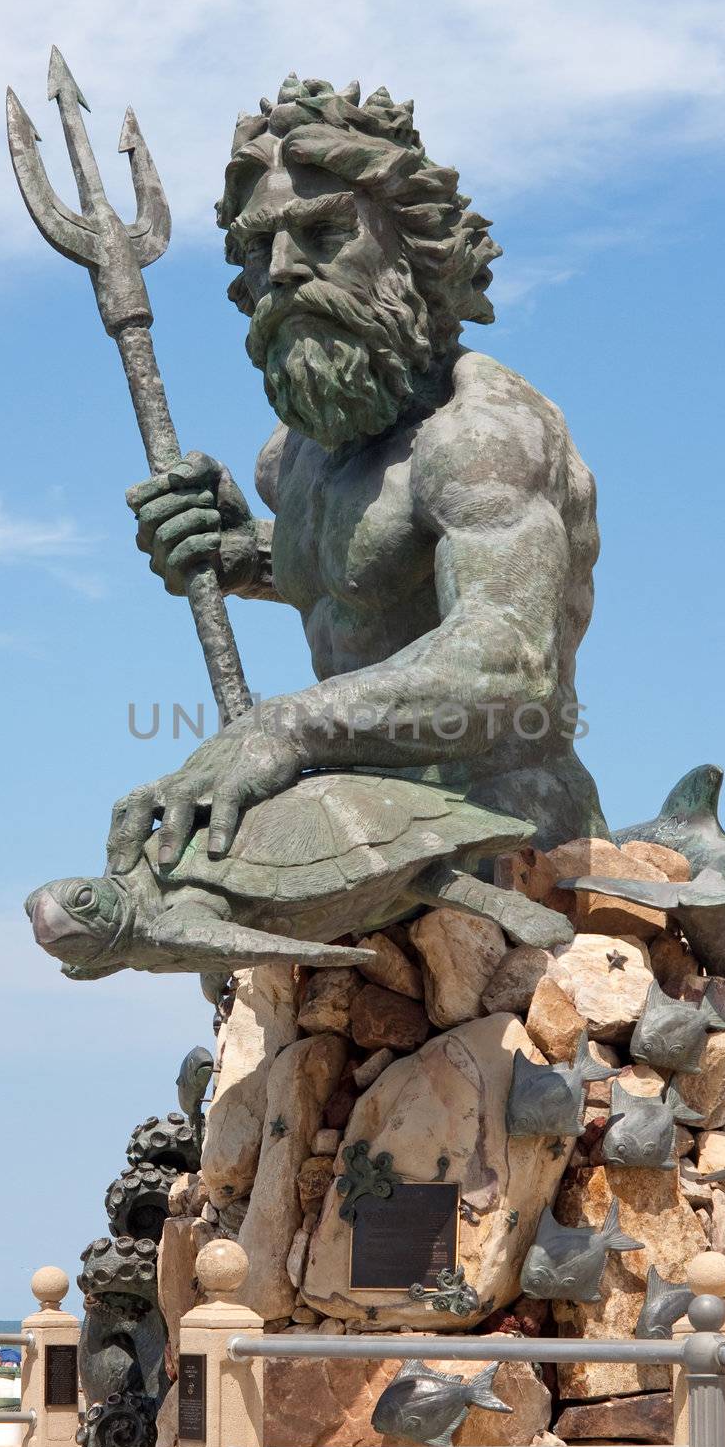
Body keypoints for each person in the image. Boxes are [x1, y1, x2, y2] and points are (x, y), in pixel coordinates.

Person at [109, 75, 606, 880]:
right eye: (255, 246)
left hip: (503, 831)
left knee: (196, 885)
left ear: (410, 249)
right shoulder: (295, 454)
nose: (281, 269)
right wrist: (238, 551)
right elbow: (370, 574)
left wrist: (280, 730)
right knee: (165, 861)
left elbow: (505, 660)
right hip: (356, 814)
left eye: (322, 231)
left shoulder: (483, 431)